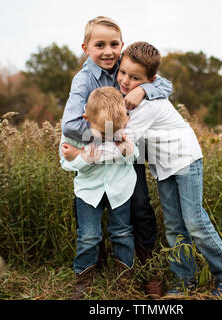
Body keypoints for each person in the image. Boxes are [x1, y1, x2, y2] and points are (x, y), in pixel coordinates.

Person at [72, 41, 222, 298]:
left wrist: (82, 154)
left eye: (135, 78)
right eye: (123, 73)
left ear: (151, 80)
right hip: (164, 168)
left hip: (185, 160)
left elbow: (121, 144)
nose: (126, 81)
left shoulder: (148, 105)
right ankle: (185, 281)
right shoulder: (132, 99)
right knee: (174, 226)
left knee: (195, 222)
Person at [61, 16, 171, 296]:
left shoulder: (126, 63)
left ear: (121, 45)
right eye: (100, 45)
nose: (108, 51)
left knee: (141, 207)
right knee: (87, 212)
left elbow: (166, 85)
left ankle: (147, 270)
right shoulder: (83, 80)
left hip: (129, 153)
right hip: (100, 150)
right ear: (86, 47)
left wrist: (144, 89)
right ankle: (92, 268)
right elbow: (71, 125)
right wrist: (110, 133)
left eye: (113, 45)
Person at [60, 87, 138, 299]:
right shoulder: (74, 133)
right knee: (89, 235)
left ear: (125, 118)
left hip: (120, 189)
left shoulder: (125, 129)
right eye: (103, 133)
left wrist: (95, 154)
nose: (109, 135)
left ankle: (124, 277)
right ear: (86, 118)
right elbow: (64, 162)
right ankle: (84, 277)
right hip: (88, 192)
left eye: (114, 130)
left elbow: (134, 156)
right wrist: (82, 158)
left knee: (122, 231)